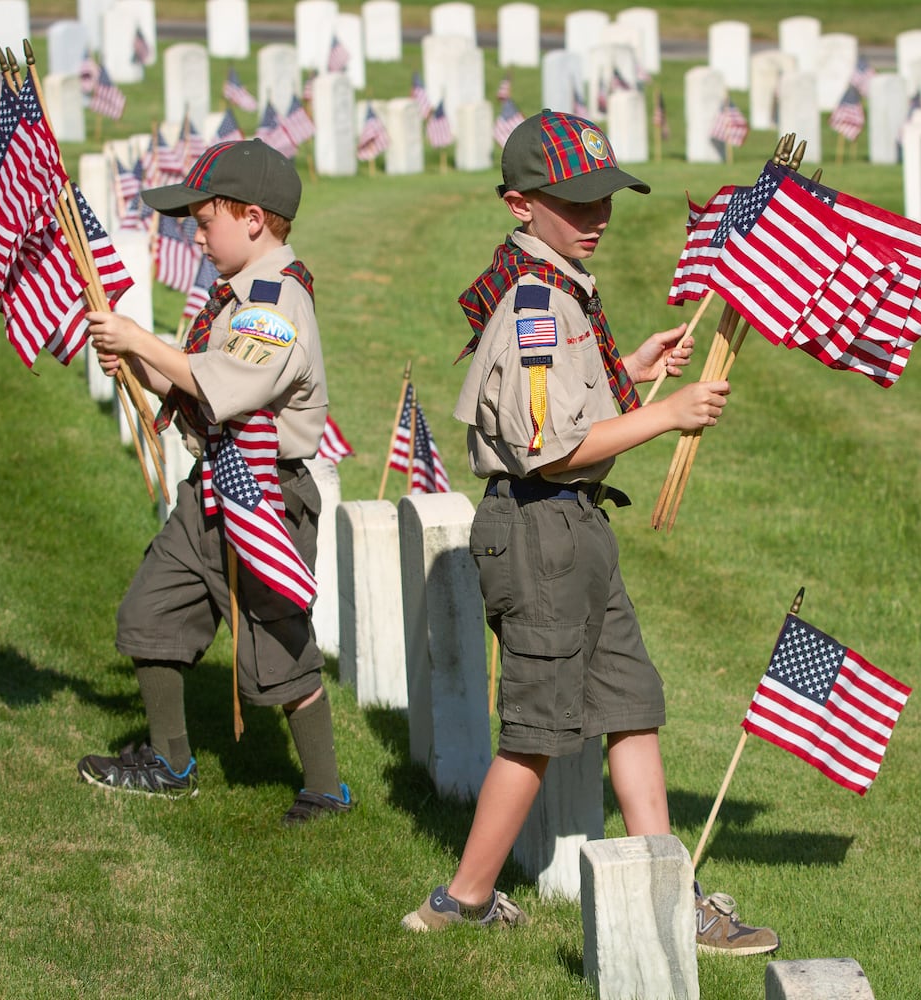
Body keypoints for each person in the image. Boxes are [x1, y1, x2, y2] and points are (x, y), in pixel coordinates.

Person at [401, 111, 778, 955]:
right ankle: (458, 901)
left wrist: (631, 373)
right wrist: (665, 416)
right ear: (518, 204)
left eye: (604, 197)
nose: (596, 216)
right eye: (574, 202)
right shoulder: (535, 304)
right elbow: (549, 450)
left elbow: (567, 402)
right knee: (536, 730)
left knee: (630, 705)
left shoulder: (563, 288)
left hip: (575, 531)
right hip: (539, 531)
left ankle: (669, 895)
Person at [75, 139, 352, 826]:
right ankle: (170, 763)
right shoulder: (236, 298)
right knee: (149, 617)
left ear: (253, 218)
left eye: (205, 223)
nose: (196, 238)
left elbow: (225, 382)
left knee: (278, 654)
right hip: (211, 491)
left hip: (263, 495)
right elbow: (191, 384)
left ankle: (326, 787)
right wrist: (134, 363)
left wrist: (139, 338)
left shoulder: (273, 302)